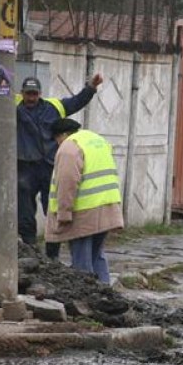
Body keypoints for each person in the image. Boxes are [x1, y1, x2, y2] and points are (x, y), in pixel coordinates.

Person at [16, 73, 104, 256]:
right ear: (22, 93)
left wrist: (91, 88)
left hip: (50, 167)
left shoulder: (54, 107)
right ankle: (30, 250)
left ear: (40, 93)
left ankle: (52, 255)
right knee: (25, 213)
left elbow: (76, 102)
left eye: (34, 94)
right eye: (27, 94)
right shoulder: (14, 105)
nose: (31, 98)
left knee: (53, 211)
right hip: (25, 167)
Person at [45, 118, 124, 284]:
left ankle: (87, 298)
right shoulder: (96, 140)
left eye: (56, 140)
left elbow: (67, 182)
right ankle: (107, 296)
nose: (57, 144)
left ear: (62, 135)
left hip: (84, 211)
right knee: (97, 256)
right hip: (107, 206)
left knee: (82, 260)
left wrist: (63, 213)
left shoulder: (69, 147)